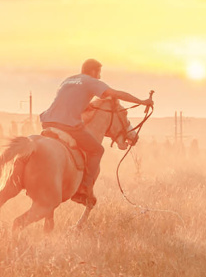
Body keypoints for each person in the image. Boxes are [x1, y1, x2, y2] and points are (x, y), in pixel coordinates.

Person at [39, 58, 153, 206]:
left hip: (47, 121)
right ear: (93, 71)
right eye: (99, 73)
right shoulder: (91, 82)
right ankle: (83, 189)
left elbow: (71, 102)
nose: (99, 77)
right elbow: (117, 94)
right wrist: (143, 102)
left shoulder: (68, 80)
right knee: (97, 150)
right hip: (67, 124)